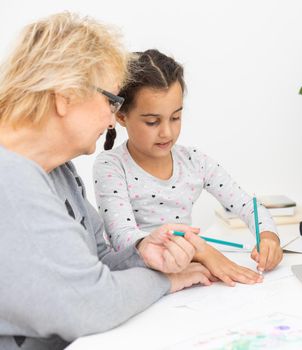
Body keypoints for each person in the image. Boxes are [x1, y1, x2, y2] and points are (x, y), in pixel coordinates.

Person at [0, 13, 212, 350]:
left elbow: (95, 263)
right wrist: (164, 280)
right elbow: (88, 303)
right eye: (111, 101)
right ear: (65, 95)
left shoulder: (56, 171)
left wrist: (143, 253)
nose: (114, 119)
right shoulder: (9, 181)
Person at [93, 49, 283, 285]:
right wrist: (200, 251)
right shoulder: (111, 165)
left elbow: (247, 204)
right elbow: (123, 238)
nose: (167, 132)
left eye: (175, 117)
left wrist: (268, 237)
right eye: (152, 122)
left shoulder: (195, 162)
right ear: (121, 117)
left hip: (188, 274)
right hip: (137, 279)